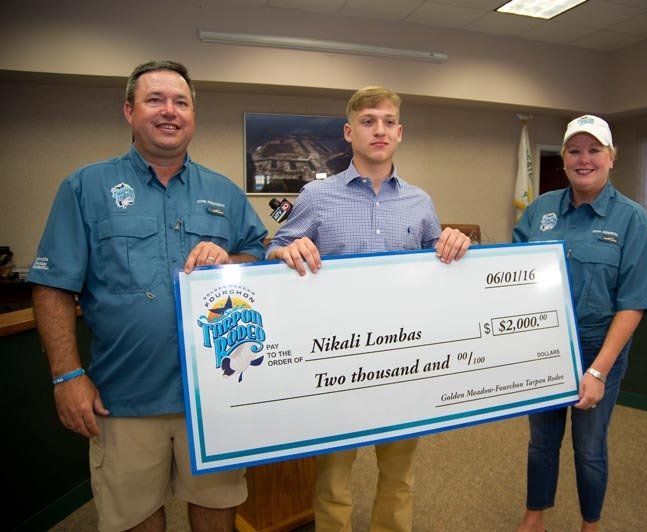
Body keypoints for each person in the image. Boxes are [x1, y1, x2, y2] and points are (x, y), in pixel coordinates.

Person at [29, 60, 267, 531]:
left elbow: (258, 256)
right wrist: (67, 376)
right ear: (129, 111)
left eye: (181, 102)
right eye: (154, 100)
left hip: (214, 394)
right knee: (133, 517)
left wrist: (230, 259)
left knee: (217, 507)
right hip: (125, 398)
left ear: (193, 114)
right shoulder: (85, 187)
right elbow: (52, 285)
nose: (169, 111)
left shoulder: (223, 192)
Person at [266, 86, 470, 532]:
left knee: (399, 477)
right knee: (333, 479)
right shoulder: (316, 196)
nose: (379, 130)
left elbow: (438, 264)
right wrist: (284, 249)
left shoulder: (420, 202)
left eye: (388, 122)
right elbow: (276, 247)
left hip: (403, 360)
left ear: (400, 132)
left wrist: (454, 244)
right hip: (337, 361)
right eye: (368, 121)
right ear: (348, 132)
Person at [513, 115, 647, 532]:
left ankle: (590, 524)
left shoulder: (632, 219)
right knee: (542, 441)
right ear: (563, 158)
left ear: (611, 157)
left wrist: (598, 371)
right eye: (575, 151)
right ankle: (534, 516)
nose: (584, 159)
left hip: (600, 350)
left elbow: (634, 303)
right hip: (545, 347)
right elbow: (511, 274)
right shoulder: (541, 209)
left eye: (594, 150)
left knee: (589, 445)